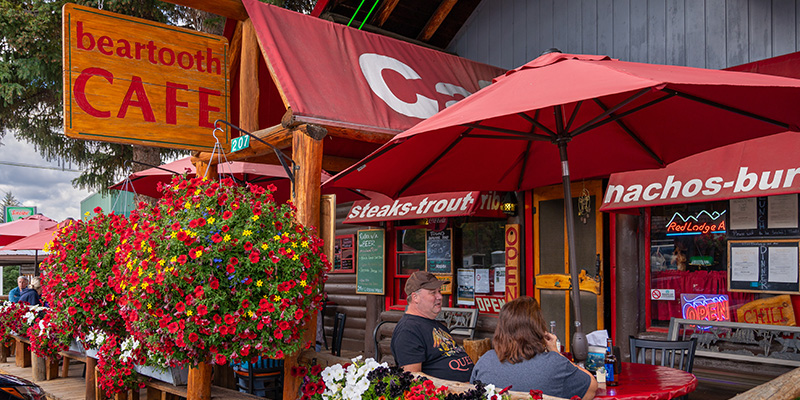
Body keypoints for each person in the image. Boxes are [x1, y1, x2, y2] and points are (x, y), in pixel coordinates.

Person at [470, 297, 597, 400]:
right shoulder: (555, 364)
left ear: (501, 330)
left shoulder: (485, 362)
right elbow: (591, 387)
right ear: (538, 329)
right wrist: (555, 352)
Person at [391, 271, 473, 382]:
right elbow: (412, 379)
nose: (439, 297)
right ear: (415, 297)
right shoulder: (408, 331)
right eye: (433, 293)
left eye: (439, 291)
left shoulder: (436, 324)